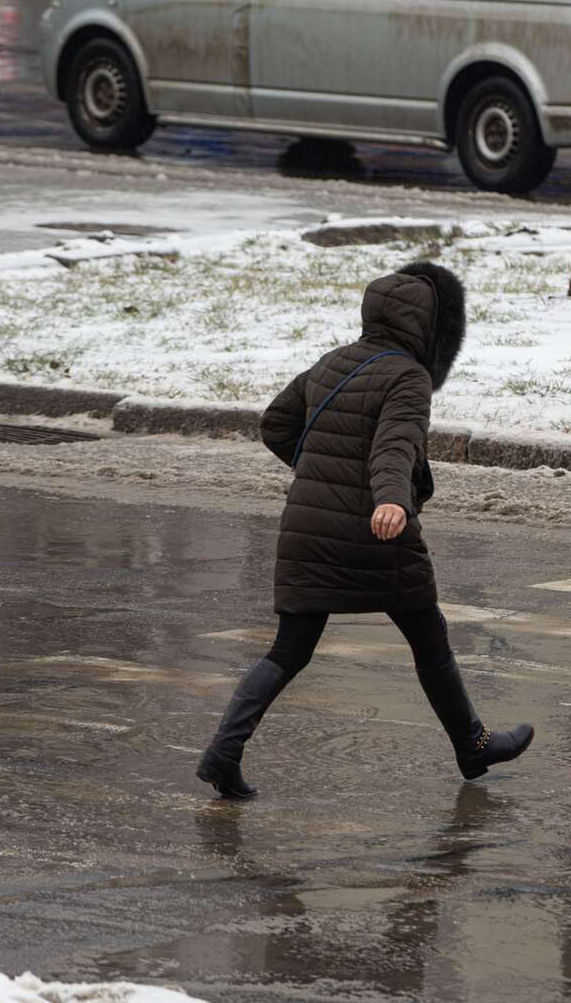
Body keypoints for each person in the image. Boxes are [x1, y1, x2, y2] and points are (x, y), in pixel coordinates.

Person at [195, 261, 535, 799]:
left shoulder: (332, 363)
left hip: (308, 527)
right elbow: (395, 446)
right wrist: (392, 499)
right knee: (428, 634)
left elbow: (275, 424)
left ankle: (223, 752)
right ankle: (472, 745)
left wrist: (322, 477)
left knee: (290, 650)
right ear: (427, 328)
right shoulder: (408, 377)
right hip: (377, 529)